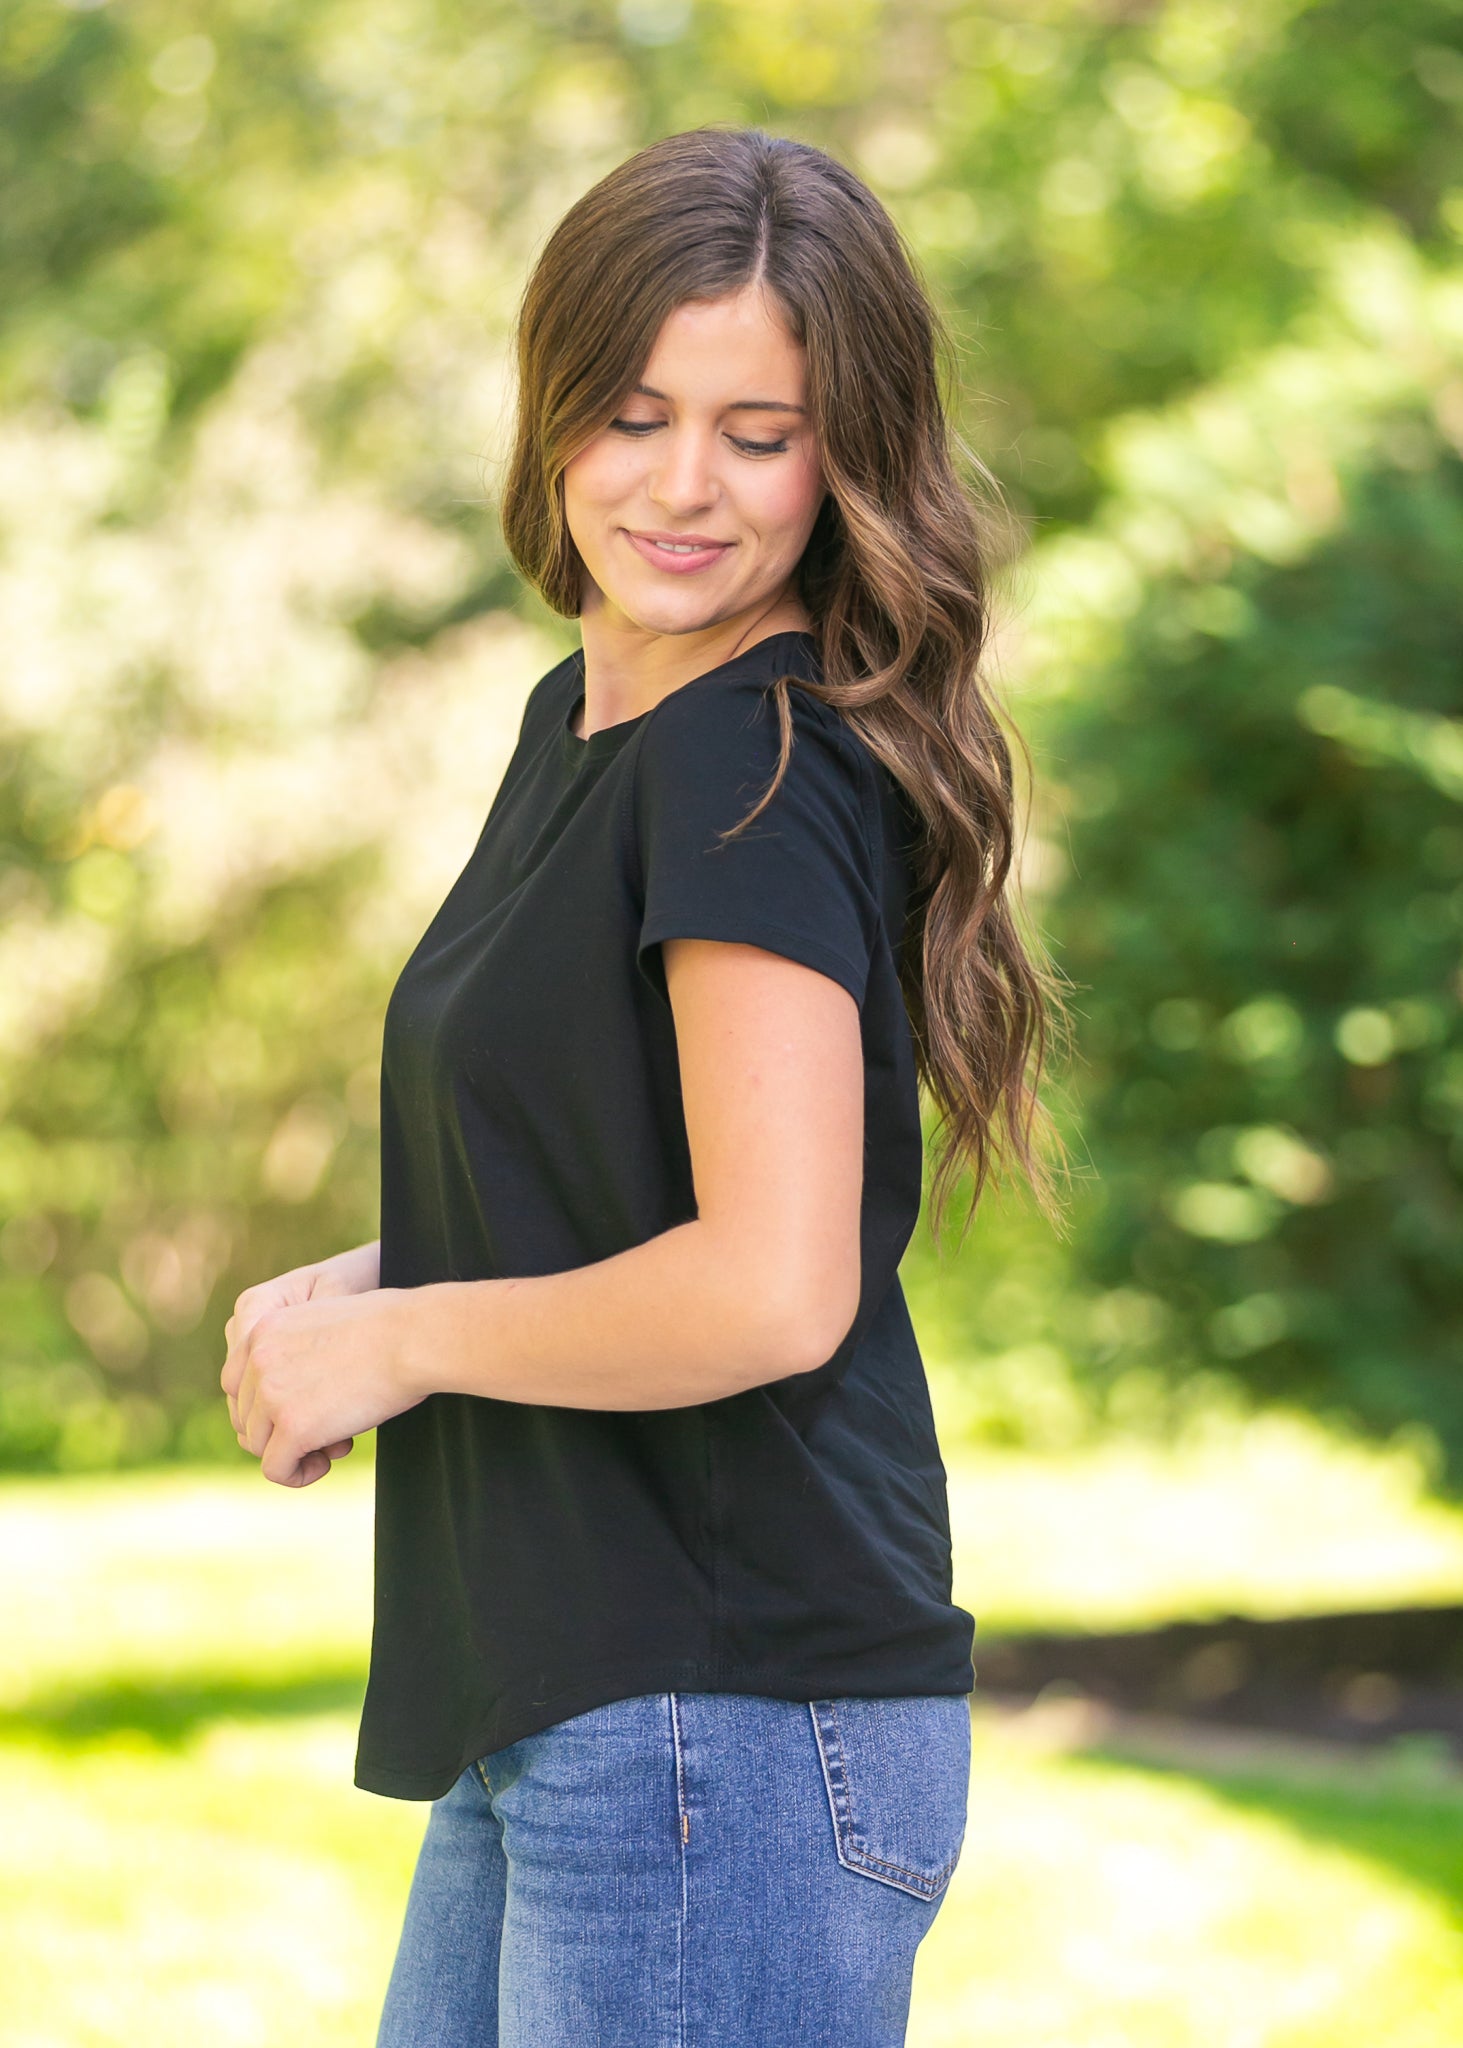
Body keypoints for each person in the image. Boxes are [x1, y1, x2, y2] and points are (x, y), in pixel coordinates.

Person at [221, 125, 1069, 2048]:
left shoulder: (746, 756)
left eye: (760, 434)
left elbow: (772, 1287)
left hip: (719, 1722)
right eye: (632, 414)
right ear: (552, 412)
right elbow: (622, 1182)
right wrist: (370, 1287)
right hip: (579, 1700)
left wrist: (405, 1342)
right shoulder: (593, 723)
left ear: (845, 458)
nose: (685, 486)